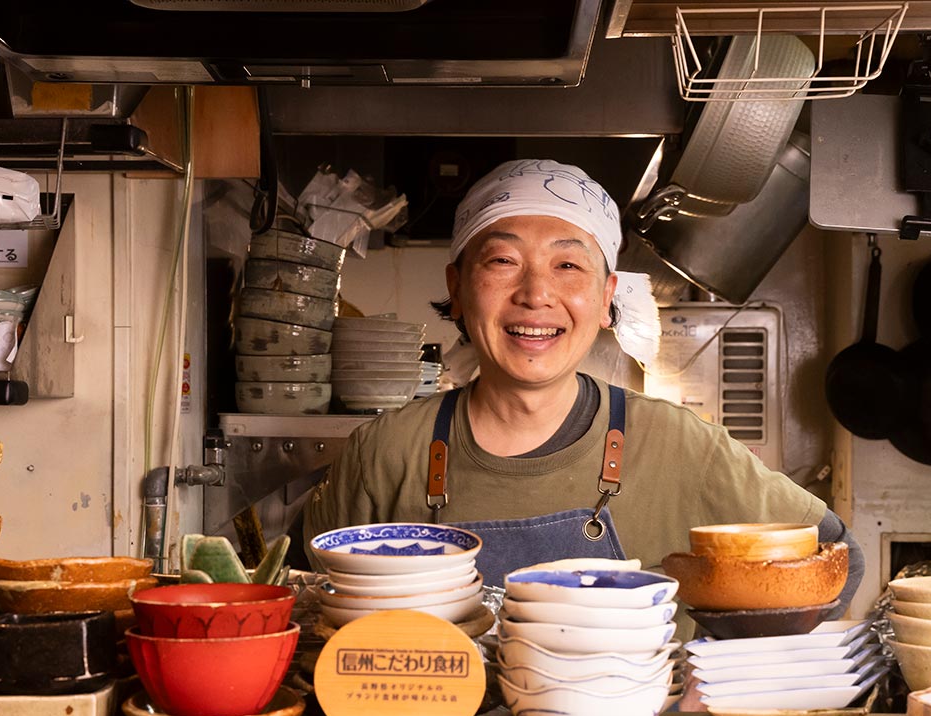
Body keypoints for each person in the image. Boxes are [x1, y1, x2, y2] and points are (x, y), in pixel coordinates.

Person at [304, 159, 864, 616]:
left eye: (568, 265)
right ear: (457, 288)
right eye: (503, 260)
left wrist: (720, 674)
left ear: (605, 299)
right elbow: (311, 610)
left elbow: (838, 560)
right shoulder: (385, 453)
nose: (535, 294)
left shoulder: (680, 446)